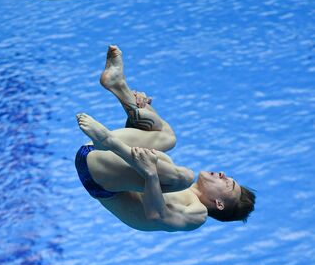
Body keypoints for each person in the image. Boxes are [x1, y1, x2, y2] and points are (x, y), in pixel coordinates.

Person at [75, 45, 256, 232]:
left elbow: (155, 215)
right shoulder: (172, 180)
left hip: (97, 176)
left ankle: (109, 141)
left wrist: (150, 174)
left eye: (228, 183)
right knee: (168, 138)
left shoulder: (198, 214)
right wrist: (142, 110)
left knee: (183, 176)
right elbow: (136, 160)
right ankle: (118, 86)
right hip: (103, 154)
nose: (222, 175)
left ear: (219, 204)